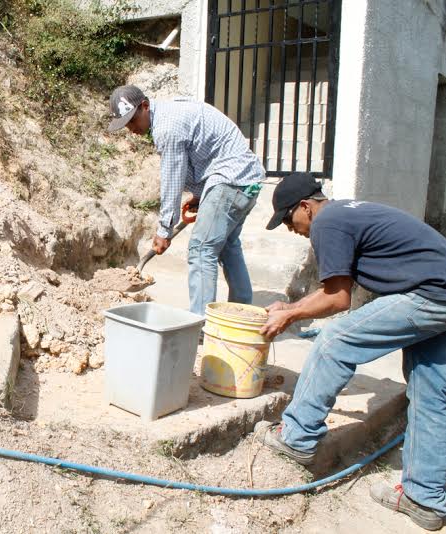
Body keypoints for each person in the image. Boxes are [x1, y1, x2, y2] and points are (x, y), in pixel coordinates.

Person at [255, 172, 446, 531]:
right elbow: (335, 285)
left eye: (287, 219)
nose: (289, 228)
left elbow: (338, 300)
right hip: (440, 289)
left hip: (430, 294)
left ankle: (296, 437)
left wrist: (290, 315)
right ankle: (425, 498)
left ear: (305, 207)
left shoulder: (327, 223)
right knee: (432, 391)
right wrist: (293, 305)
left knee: (334, 341)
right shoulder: (344, 214)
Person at [107, 85, 265, 318]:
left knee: (201, 249)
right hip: (244, 180)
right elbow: (206, 153)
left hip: (230, 179)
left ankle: (199, 324)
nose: (131, 129)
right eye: (126, 125)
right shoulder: (171, 113)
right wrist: (202, 196)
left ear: (145, 106)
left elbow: (172, 179)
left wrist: (164, 230)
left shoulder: (167, 128)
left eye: (132, 121)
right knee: (228, 245)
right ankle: (241, 311)